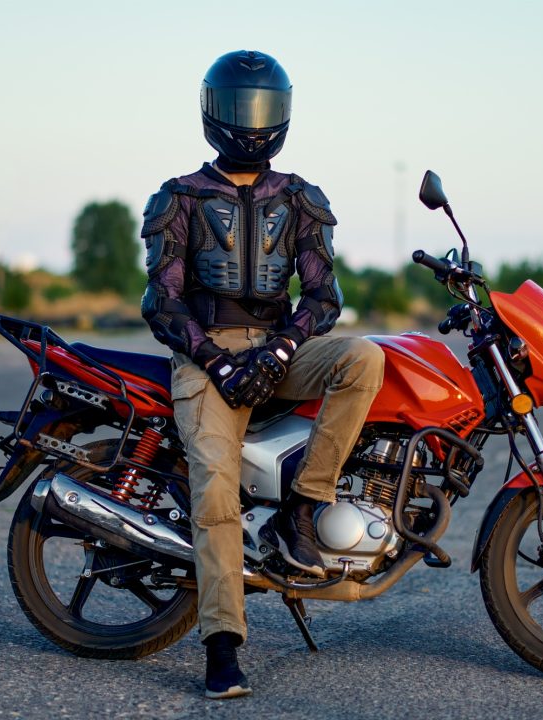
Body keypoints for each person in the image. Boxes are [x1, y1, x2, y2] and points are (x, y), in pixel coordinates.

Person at [139, 50, 385, 699]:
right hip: (206, 355)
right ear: (212, 112)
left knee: (365, 357)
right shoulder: (181, 197)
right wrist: (217, 360)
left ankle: (303, 507)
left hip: (280, 348)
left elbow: (324, 297)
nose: (252, 122)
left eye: (263, 108)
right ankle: (222, 646)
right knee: (214, 494)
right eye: (241, 108)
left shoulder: (299, 198)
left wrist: (279, 351)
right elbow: (161, 301)